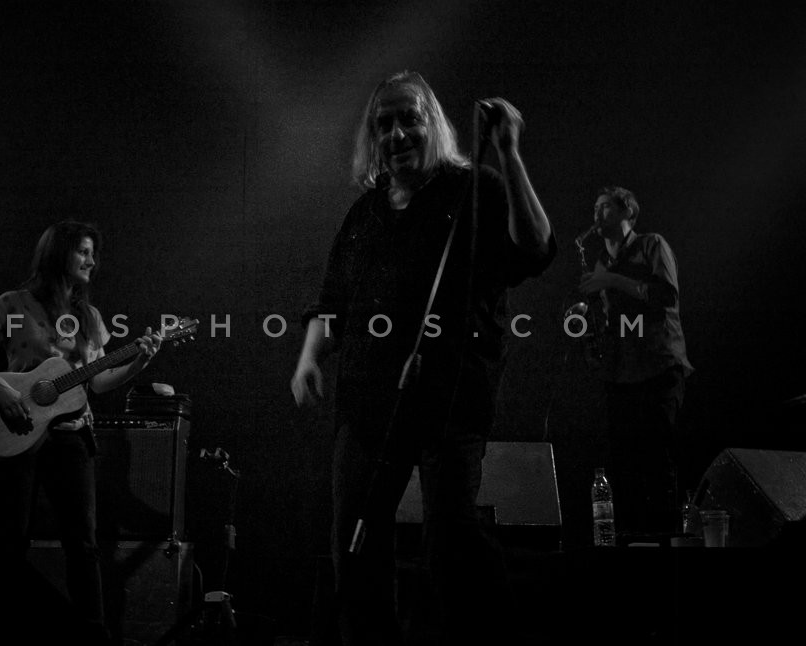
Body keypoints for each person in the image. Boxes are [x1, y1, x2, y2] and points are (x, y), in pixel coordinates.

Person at [291, 71, 555, 645]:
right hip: (368, 403)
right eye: (383, 123)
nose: (396, 134)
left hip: (451, 399)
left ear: (432, 123)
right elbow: (331, 303)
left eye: (409, 118)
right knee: (354, 544)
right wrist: (308, 358)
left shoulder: (473, 189)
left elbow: (535, 249)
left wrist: (509, 153)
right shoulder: (364, 215)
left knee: (452, 537)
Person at [0, 220, 163, 643]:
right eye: (83, 251)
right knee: (11, 538)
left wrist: (139, 361)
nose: (91, 261)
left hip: (72, 436)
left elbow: (97, 382)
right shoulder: (13, 305)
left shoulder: (89, 317)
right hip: (19, 428)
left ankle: (92, 635)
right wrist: (2, 392)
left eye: (93, 253)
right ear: (59, 253)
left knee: (83, 544)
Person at [579, 186, 693, 537]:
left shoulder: (651, 245)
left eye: (605, 207)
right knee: (624, 467)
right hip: (620, 372)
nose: (596, 215)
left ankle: (665, 544)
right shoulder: (602, 262)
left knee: (658, 461)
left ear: (627, 211)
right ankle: (630, 545)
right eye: (595, 208)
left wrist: (612, 280)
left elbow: (666, 295)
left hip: (658, 366)